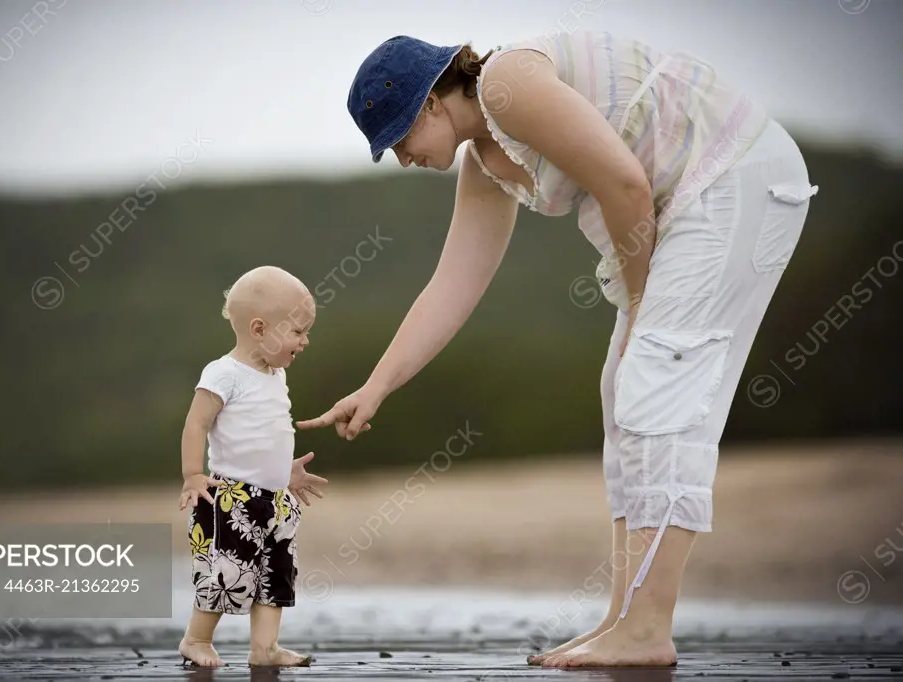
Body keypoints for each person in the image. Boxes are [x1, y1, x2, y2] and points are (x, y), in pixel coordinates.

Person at [296, 30, 817, 668]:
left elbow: (624, 185)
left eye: (399, 138)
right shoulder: (484, 162)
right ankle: (625, 621)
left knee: (655, 389)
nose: (401, 157)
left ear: (432, 102)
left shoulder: (505, 88)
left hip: (731, 175)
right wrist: (377, 386)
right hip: (685, 206)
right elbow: (453, 285)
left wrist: (640, 320)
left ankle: (647, 629)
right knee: (621, 393)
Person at [176, 265, 329, 669]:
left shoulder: (276, 375)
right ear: (259, 328)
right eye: (298, 331)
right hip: (231, 498)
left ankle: (265, 648)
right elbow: (196, 424)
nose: (305, 341)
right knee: (226, 572)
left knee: (273, 577)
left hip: (276, 500)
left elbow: (266, 436)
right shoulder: (224, 373)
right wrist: (193, 473)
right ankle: (196, 639)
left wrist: (286, 472)